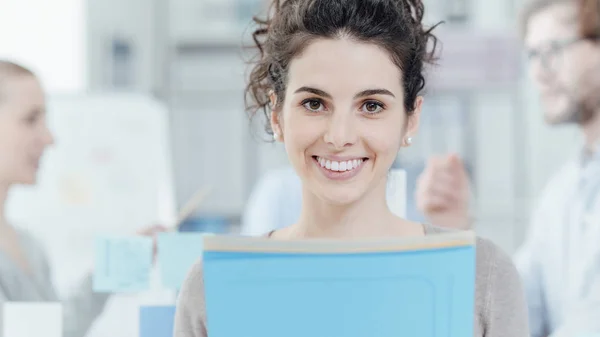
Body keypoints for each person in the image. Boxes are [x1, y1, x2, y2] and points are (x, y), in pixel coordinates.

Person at [173, 0, 529, 336]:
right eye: (314, 103)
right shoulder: (212, 288)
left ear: (411, 119)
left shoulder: (482, 278)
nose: (339, 136)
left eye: (371, 106)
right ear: (277, 115)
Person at [415, 0, 600, 336]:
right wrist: (455, 232)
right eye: (532, 55)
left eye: (553, 49)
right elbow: (513, 313)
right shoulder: (562, 193)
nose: (538, 72)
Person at [0, 60, 167, 337]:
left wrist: (112, 269)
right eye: (31, 119)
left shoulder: (29, 246)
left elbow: (57, 329)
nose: (49, 137)